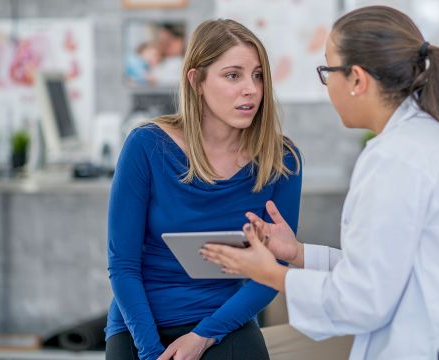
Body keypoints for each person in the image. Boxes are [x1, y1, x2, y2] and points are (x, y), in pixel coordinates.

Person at [201, 6, 439, 360]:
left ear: (357, 80)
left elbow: (363, 301)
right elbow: (388, 267)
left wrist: (270, 274)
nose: (328, 83)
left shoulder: (395, 159)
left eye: (327, 71)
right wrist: (298, 254)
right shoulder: (430, 140)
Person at [105, 19, 302, 360]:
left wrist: (203, 335)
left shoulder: (281, 159)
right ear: (196, 81)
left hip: (224, 321)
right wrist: (151, 352)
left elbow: (273, 270)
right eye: (233, 75)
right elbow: (123, 265)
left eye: (257, 75)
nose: (251, 89)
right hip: (140, 323)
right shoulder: (147, 145)